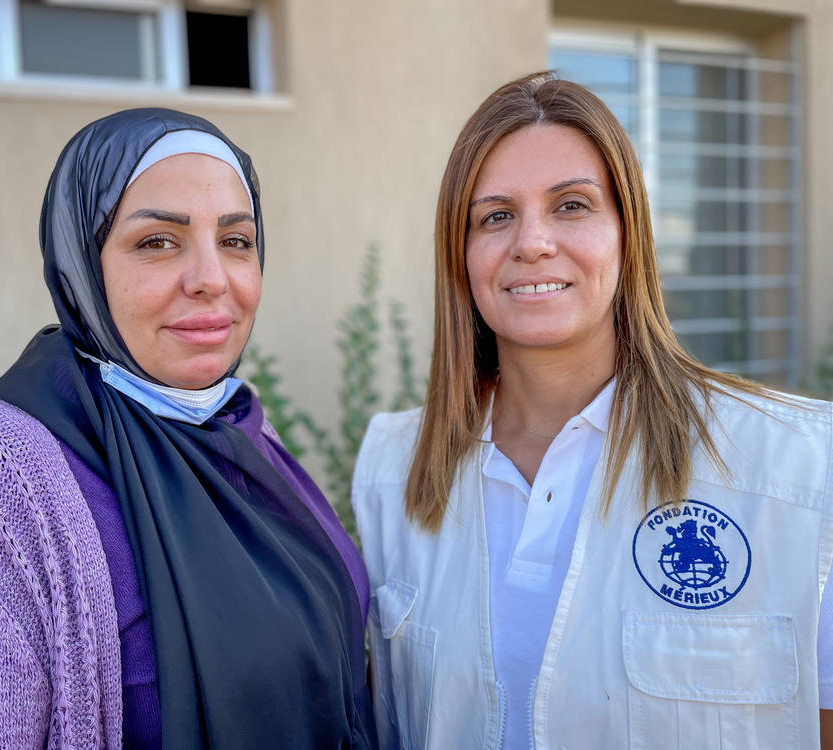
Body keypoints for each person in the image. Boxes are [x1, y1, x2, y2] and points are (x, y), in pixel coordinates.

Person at [0, 108, 378, 749]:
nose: (212, 279)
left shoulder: (238, 432)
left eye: (236, 241)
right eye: (157, 242)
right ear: (81, 266)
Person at [352, 71, 833, 750]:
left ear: (627, 233)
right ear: (459, 257)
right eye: (495, 215)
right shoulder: (391, 471)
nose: (533, 242)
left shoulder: (803, 468)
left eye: (571, 206)